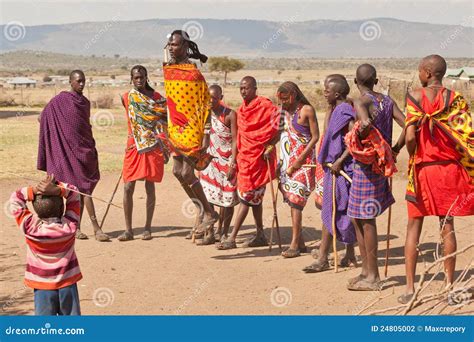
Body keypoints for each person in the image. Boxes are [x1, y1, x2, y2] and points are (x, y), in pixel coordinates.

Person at [398, 54, 474, 304]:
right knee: (447, 226)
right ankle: (449, 286)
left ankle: (409, 289)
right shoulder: (455, 99)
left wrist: (413, 154)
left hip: (423, 170)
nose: (418, 74)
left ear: (428, 73)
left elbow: (409, 136)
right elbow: (467, 136)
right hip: (449, 171)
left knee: (413, 227)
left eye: (420, 70)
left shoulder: (415, 96)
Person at [343, 64, 406, 291]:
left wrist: (360, 134)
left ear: (354, 80)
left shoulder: (362, 101)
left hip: (366, 167)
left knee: (366, 220)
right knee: (356, 218)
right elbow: (408, 124)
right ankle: (365, 271)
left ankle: (374, 277)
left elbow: (366, 123)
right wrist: (394, 148)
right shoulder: (388, 101)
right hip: (377, 166)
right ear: (376, 79)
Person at [37, 70, 109, 242]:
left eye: (83, 81)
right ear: (70, 82)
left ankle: (76, 228)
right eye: (78, 81)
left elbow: (84, 127)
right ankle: (96, 229)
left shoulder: (85, 103)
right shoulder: (60, 100)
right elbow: (42, 117)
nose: (82, 84)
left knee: (82, 191)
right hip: (66, 154)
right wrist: (57, 140)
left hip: (84, 152)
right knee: (81, 191)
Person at [163, 30, 218, 244]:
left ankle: (209, 213)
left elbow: (205, 103)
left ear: (185, 46)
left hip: (191, 129)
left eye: (175, 45)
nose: (171, 48)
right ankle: (202, 209)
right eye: (169, 44)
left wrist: (205, 133)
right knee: (178, 172)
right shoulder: (169, 69)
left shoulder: (193, 74)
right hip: (175, 129)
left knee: (187, 172)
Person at [217, 76, 280, 250]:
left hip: (259, 160)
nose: (243, 91)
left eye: (247, 88)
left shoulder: (266, 106)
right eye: (241, 88)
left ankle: (232, 237)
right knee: (255, 199)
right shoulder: (242, 110)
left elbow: (279, 128)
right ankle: (260, 234)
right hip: (245, 159)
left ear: (255, 88)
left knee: (246, 198)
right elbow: (238, 138)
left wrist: (269, 146)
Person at [303, 76, 357, 272]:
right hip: (333, 169)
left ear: (337, 93)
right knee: (341, 210)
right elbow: (328, 135)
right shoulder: (336, 110)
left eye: (327, 90)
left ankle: (323, 258)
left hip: (341, 170)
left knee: (332, 211)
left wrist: (340, 161)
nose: (324, 93)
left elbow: (354, 140)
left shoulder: (346, 113)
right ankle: (349, 255)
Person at [9, 175, 82, 315]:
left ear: (35, 210)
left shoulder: (30, 229)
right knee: (73, 329)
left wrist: (35, 190)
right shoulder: (70, 226)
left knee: (45, 330)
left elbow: (16, 198)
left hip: (42, 286)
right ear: (62, 208)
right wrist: (58, 188)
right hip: (67, 284)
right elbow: (75, 194)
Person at [118, 65, 168, 241]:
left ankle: (147, 228)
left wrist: (164, 142)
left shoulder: (157, 98)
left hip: (152, 145)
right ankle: (128, 230)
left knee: (149, 185)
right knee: (128, 186)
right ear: (131, 79)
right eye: (135, 77)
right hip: (133, 146)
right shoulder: (127, 98)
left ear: (147, 77)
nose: (139, 80)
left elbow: (165, 120)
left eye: (142, 77)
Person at [277, 81, 319, 258]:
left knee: (296, 201)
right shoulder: (283, 113)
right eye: (279, 100)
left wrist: (299, 161)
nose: (282, 103)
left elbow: (315, 137)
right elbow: (281, 136)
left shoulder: (306, 110)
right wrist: (278, 158)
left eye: (284, 99)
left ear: (293, 95)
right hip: (287, 164)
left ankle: (294, 244)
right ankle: (301, 242)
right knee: (290, 199)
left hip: (304, 163)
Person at [199, 85, 238, 242]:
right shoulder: (206, 115)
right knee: (208, 196)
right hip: (210, 161)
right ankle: (209, 233)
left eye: (214, 98)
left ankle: (223, 232)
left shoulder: (230, 115)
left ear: (221, 97)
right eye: (208, 97)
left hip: (227, 161)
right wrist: (200, 159)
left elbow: (236, 139)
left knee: (227, 200)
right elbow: (206, 137)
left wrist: (233, 163)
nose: (210, 100)